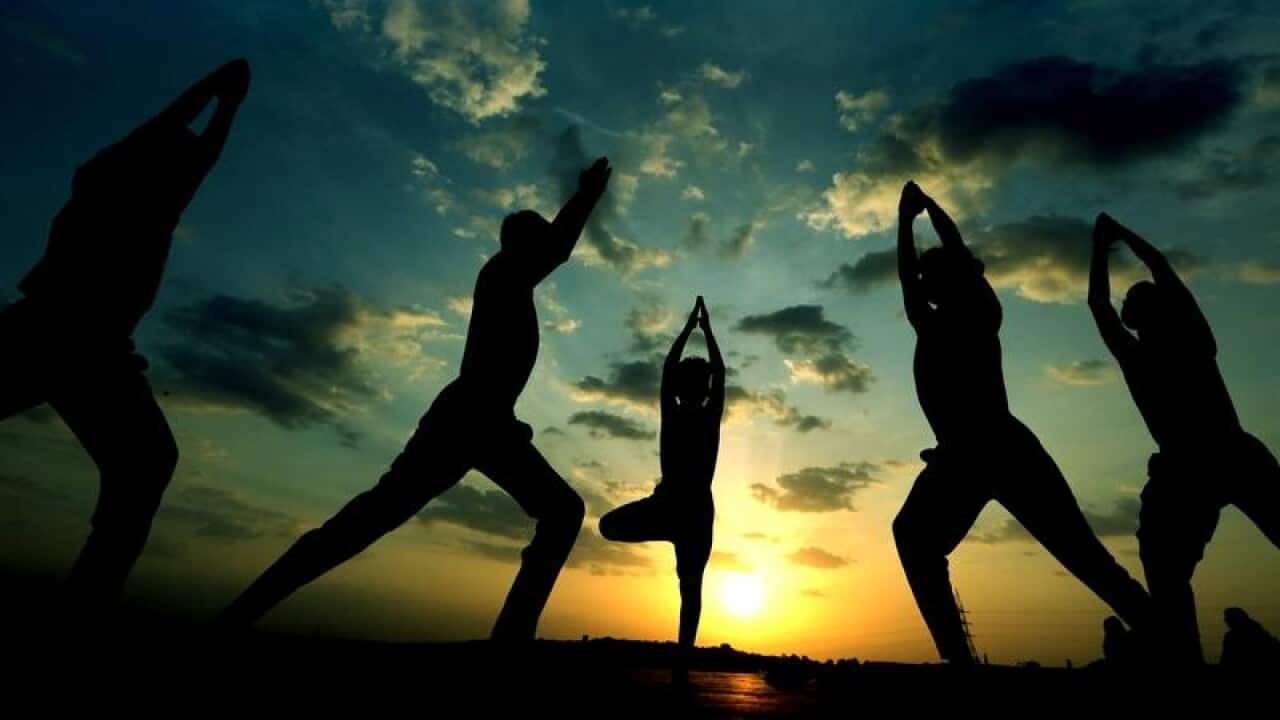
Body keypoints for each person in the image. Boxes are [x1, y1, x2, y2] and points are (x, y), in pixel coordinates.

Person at [219, 158, 614, 641]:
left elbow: (548, 258)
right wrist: (586, 196)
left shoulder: (512, 280)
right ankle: (242, 613)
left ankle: (510, 638)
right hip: (465, 422)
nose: (546, 251)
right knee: (368, 521)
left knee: (557, 513)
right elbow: (558, 248)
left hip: (484, 423)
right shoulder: (504, 274)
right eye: (537, 241)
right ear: (519, 245)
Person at [0, 59, 251, 605]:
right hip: (71, 340)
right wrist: (222, 100)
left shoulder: (108, 175)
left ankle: (89, 598)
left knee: (147, 464)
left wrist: (217, 93)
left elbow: (178, 137)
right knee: (147, 465)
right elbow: (192, 145)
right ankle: (88, 602)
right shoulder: (128, 186)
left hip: (66, 338)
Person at [892, 181, 1150, 664]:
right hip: (964, 457)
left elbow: (943, 260)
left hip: (1000, 449)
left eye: (932, 279)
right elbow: (919, 272)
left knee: (1084, 557)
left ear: (952, 281)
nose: (923, 285)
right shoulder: (940, 319)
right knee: (913, 538)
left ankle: (1166, 638)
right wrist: (918, 217)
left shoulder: (978, 313)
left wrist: (917, 218)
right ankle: (958, 659)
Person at [1088, 212, 1280, 664]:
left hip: (1210, 459)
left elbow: (1105, 301)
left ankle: (1183, 656)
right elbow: (1157, 271)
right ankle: (1183, 656)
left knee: (1163, 564)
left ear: (1137, 318)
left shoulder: (1165, 348)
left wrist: (1103, 244)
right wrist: (1119, 236)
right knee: (1161, 563)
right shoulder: (1188, 341)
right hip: (1206, 461)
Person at [599, 296, 725, 666]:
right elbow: (685, 370)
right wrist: (700, 327)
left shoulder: (704, 416)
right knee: (609, 526)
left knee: (691, 588)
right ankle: (683, 659)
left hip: (694, 514)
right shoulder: (679, 412)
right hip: (670, 506)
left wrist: (694, 328)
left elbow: (705, 371)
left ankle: (682, 661)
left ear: (699, 389)